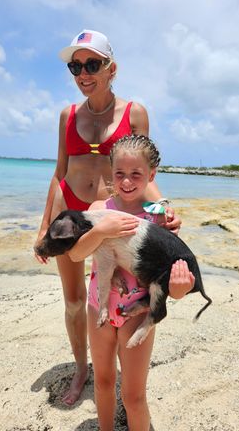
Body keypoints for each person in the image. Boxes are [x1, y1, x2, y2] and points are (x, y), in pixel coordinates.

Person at [34, 29, 192, 406]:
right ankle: (82, 369)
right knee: (73, 300)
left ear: (111, 68)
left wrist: (163, 209)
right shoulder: (67, 114)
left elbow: (142, 175)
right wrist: (44, 230)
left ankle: (118, 372)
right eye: (76, 66)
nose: (83, 73)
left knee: (114, 294)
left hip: (112, 218)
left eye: (92, 64)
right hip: (72, 212)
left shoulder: (134, 112)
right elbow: (58, 173)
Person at [68, 135, 195, 430]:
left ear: (151, 175)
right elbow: (76, 254)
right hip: (97, 306)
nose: (126, 181)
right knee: (102, 381)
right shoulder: (100, 206)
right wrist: (101, 230)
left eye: (136, 174)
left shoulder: (159, 216)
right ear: (110, 172)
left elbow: (170, 283)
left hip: (135, 315)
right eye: (119, 174)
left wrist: (179, 287)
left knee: (134, 395)